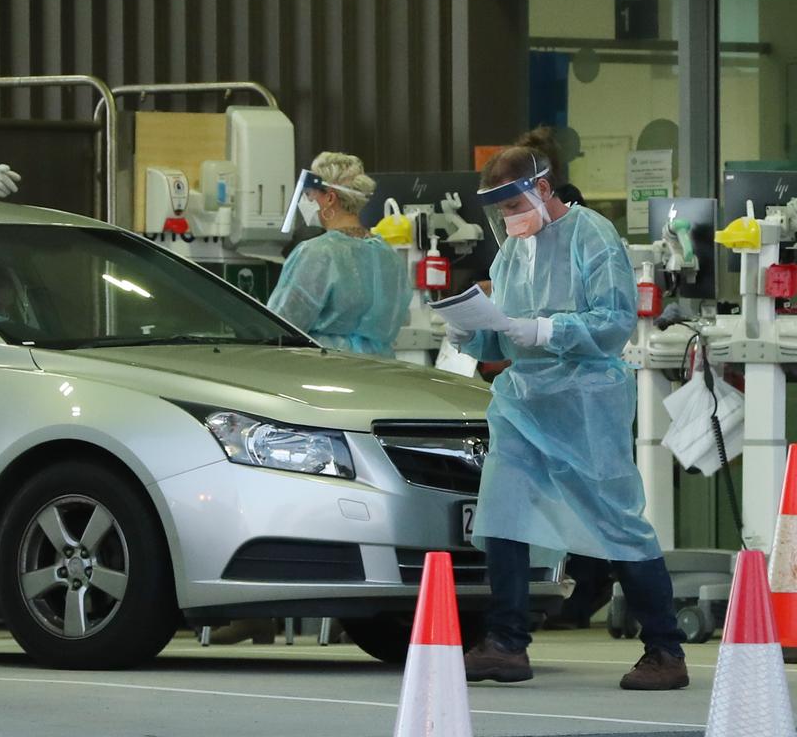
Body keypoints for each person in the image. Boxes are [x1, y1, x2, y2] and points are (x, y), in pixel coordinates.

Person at [448, 145, 688, 690]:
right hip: (521, 400)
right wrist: (468, 329)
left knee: (616, 521)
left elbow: (612, 321)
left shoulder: (591, 235)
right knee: (502, 515)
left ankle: (665, 650)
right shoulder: (512, 251)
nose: (509, 219)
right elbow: (504, 329)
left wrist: (548, 330)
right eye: (501, 211)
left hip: (584, 401)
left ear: (545, 189)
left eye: (515, 205)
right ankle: (505, 643)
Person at [517, 127, 611, 630]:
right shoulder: (522, 241)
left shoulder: (581, 230)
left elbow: (605, 317)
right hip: (537, 383)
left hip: (581, 382)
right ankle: (512, 622)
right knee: (543, 495)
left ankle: (594, 583)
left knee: (589, 495)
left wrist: (539, 326)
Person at [267, 152, 412, 357]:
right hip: (380, 371)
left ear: (329, 198)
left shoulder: (317, 254)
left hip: (327, 371)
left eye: (310, 194)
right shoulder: (389, 257)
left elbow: (280, 325)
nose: (307, 201)